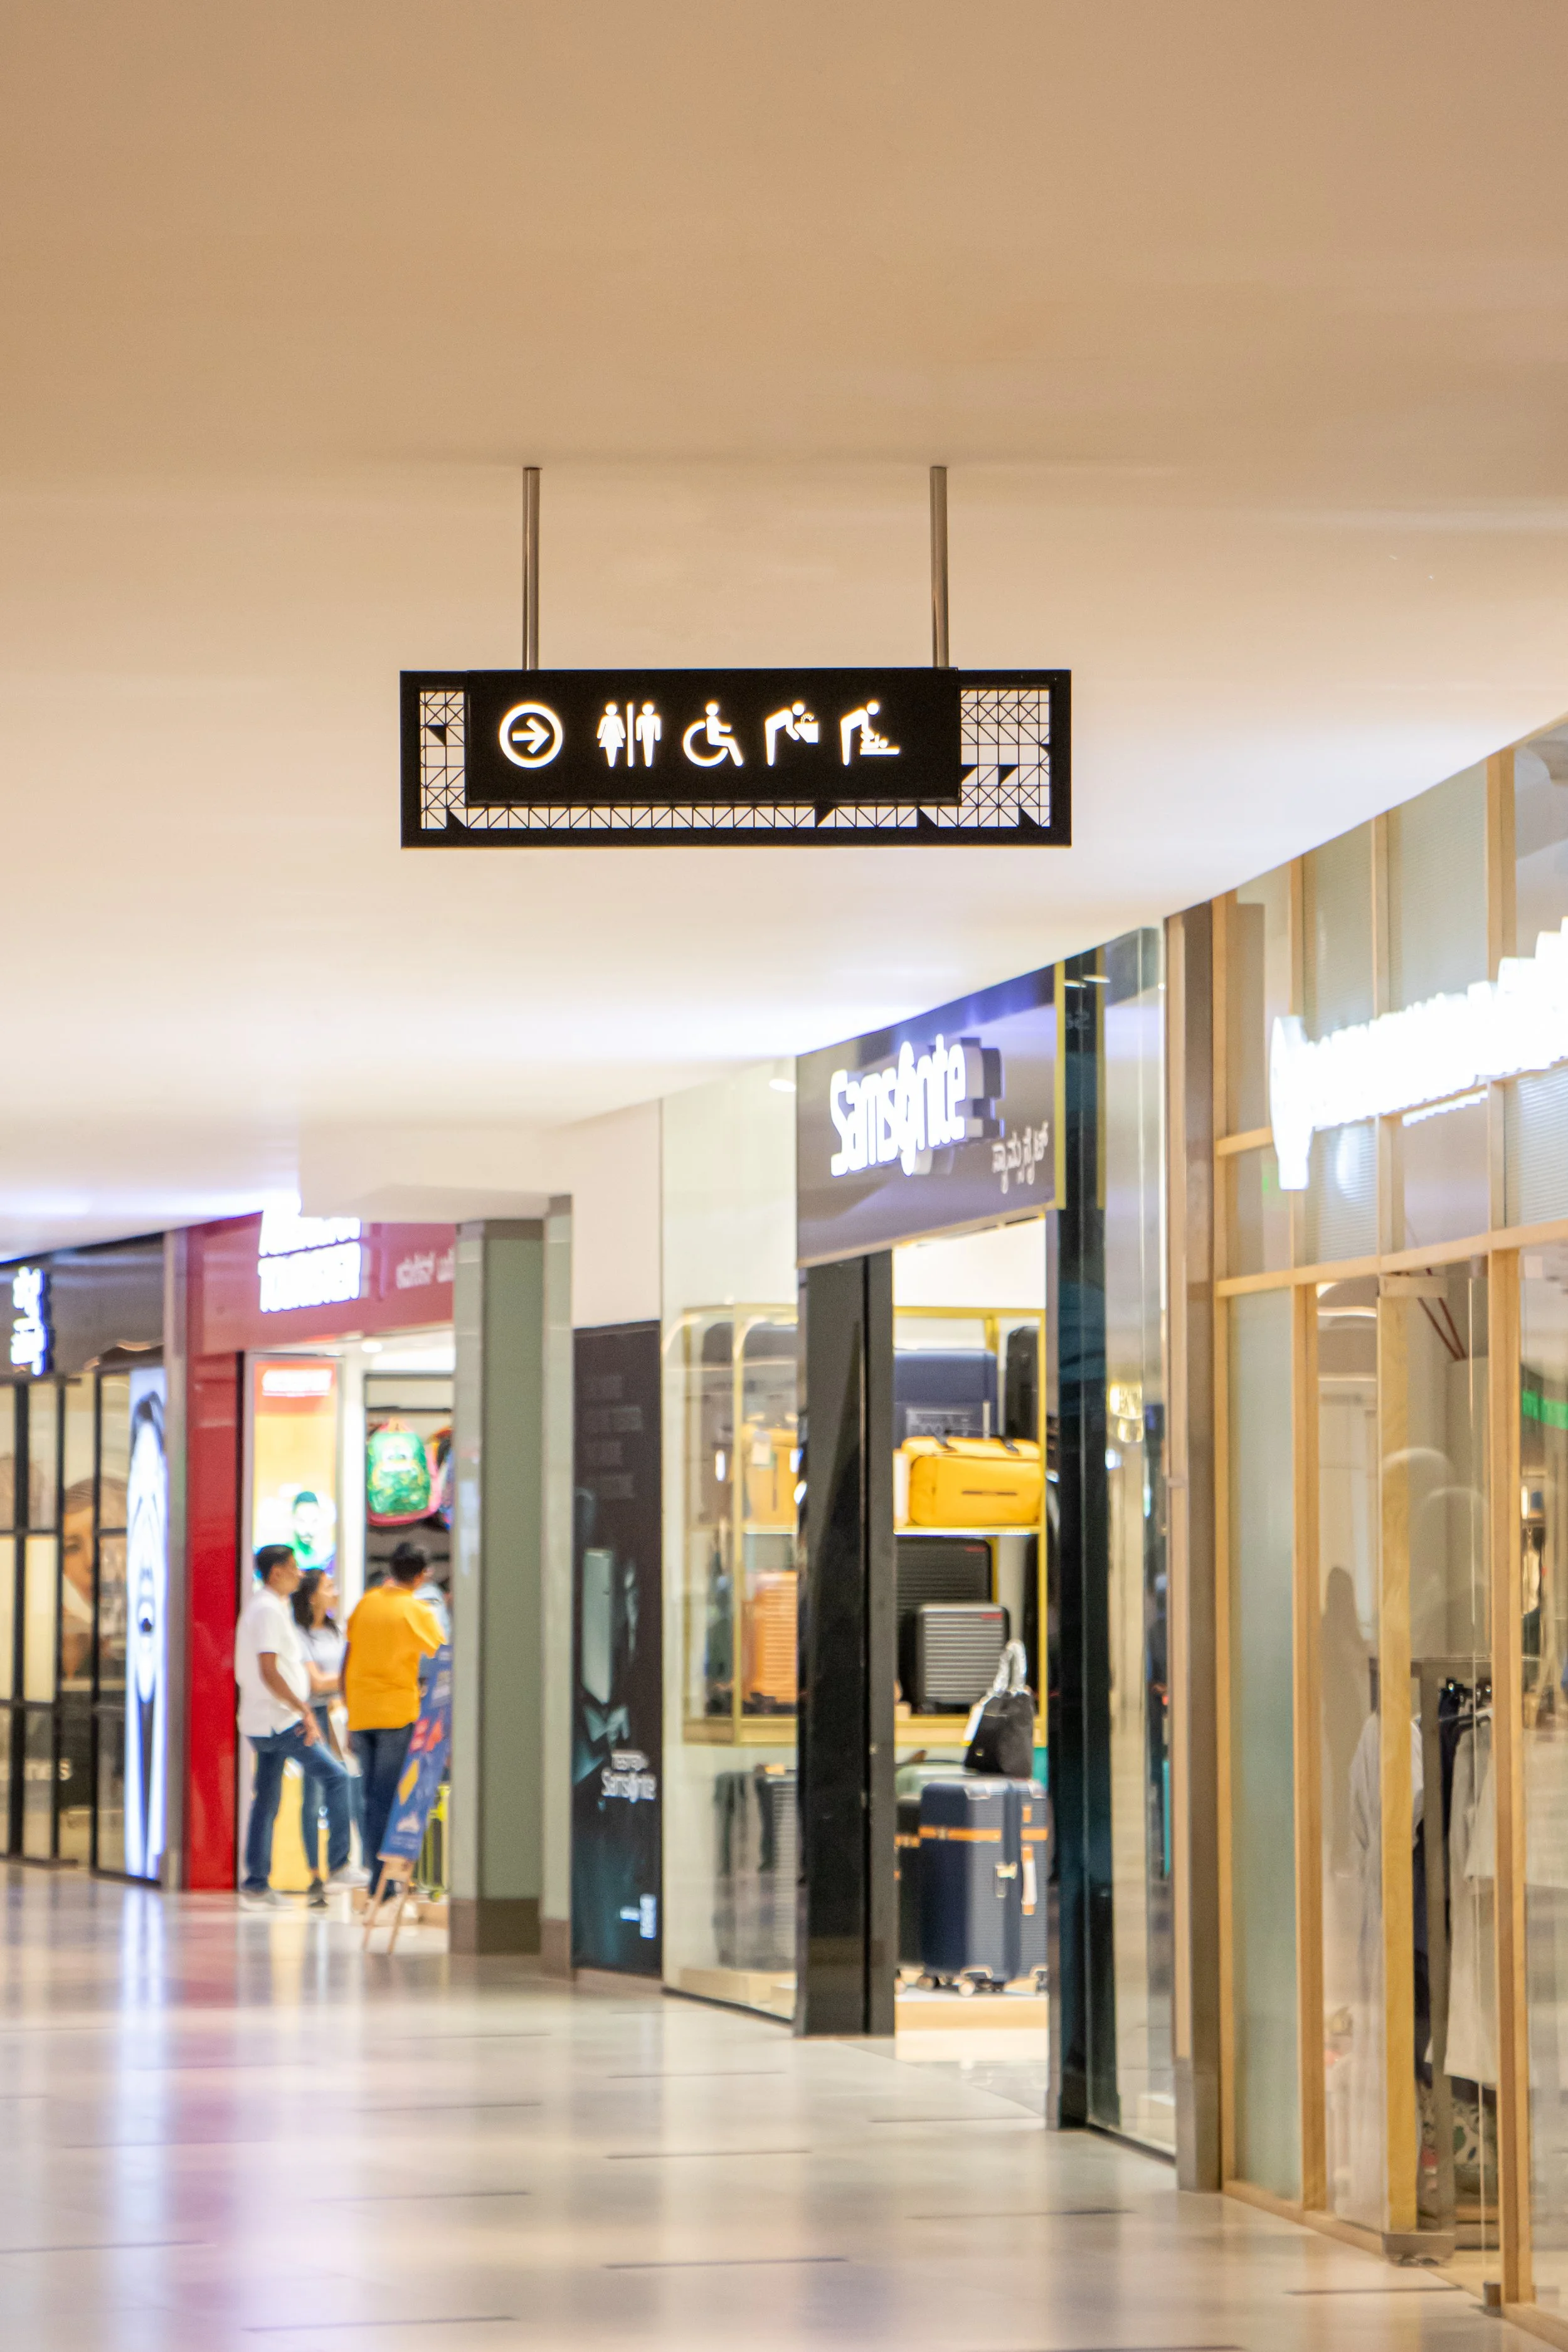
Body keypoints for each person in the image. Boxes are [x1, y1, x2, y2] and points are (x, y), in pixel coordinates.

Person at [235, 1544, 356, 1912]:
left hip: (266, 1719)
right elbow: (269, 1669)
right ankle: (339, 1865)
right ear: (276, 1572)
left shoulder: (267, 1607)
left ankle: (257, 1883)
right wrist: (303, 1709)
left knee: (267, 1800)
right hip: (280, 1720)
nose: (299, 1574)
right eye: (293, 1567)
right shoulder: (268, 1611)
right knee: (337, 1777)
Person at [343, 1540, 443, 1894]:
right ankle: (383, 1883)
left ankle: (377, 1876)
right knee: (388, 1798)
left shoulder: (366, 1603)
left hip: (362, 1713)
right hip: (396, 1714)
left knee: (372, 1799)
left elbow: (348, 1658)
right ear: (421, 1576)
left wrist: (349, 1713)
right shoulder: (416, 1611)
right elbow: (444, 1656)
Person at [291, 1568, 367, 1909]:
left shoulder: (336, 1631)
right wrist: (350, 1679)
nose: (334, 1591)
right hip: (312, 1716)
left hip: (338, 1715)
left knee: (348, 1786)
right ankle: (315, 1875)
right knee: (313, 1796)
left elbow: (334, 1677)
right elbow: (316, 1683)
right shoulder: (299, 1635)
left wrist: (344, 1683)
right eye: (328, 1586)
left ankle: (343, 1866)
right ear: (312, 1596)